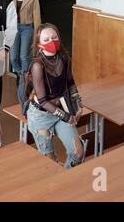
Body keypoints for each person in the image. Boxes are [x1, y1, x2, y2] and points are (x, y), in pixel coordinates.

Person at [26, 23, 85, 169]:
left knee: (78, 152)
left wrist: (78, 104)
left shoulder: (64, 58)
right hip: (41, 114)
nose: (51, 41)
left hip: (61, 107)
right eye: (46, 39)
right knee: (50, 161)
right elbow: (43, 100)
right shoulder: (37, 66)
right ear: (39, 44)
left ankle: (65, 179)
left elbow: (70, 82)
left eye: (54, 37)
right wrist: (66, 116)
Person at [9, 0, 41, 78]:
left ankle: (24, 79)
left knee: (24, 56)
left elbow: (36, 15)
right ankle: (20, 74)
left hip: (27, 27)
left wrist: (37, 33)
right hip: (14, 28)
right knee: (13, 57)